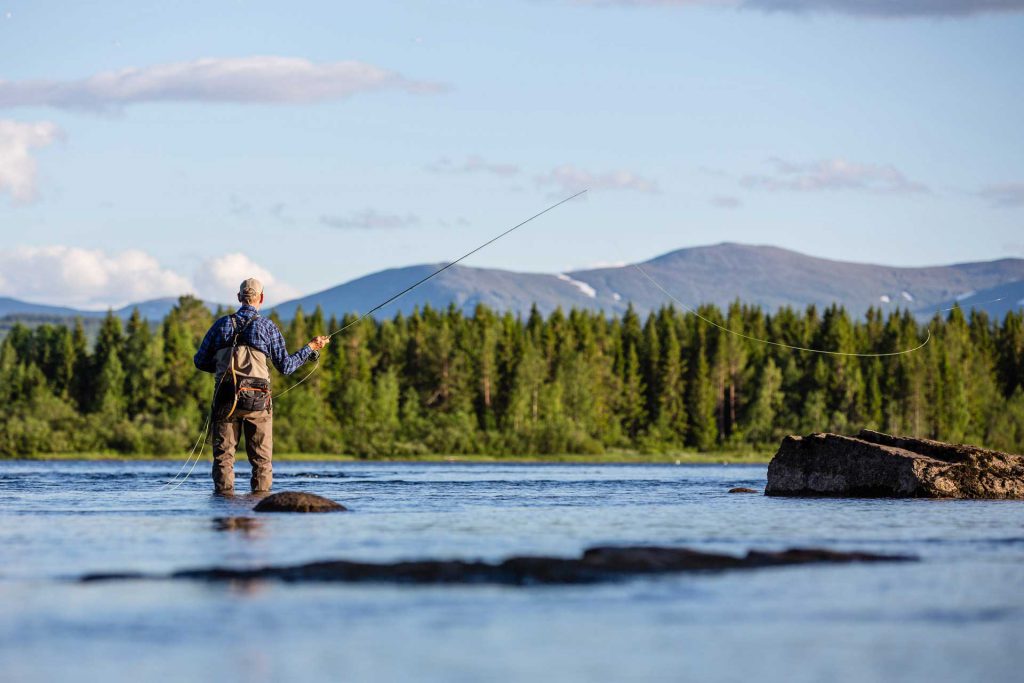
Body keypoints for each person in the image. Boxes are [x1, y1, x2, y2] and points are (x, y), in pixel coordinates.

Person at [193, 278, 329, 493]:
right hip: (258, 401)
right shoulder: (267, 326)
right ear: (262, 298)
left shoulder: (221, 325)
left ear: (239, 297)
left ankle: (223, 506)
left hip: (225, 398)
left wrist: (223, 367)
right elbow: (286, 366)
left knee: (223, 458)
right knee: (262, 461)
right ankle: (260, 504)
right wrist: (310, 347)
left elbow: (200, 361)